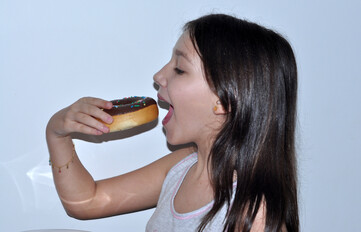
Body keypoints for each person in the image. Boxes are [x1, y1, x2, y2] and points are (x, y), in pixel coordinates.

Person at [46, 14, 299, 232]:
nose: (158, 76)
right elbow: (87, 200)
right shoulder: (182, 167)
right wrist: (57, 133)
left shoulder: (254, 215)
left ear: (224, 100)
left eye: (179, 69)